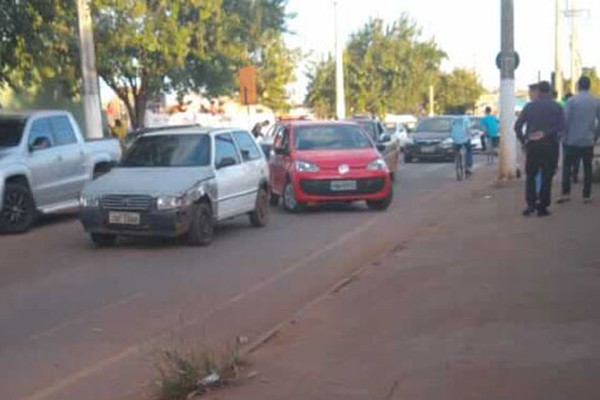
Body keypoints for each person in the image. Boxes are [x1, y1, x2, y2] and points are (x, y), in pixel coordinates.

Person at [515, 81, 565, 217]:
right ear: (549, 91)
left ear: (539, 92)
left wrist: (523, 140)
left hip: (533, 146)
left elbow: (518, 126)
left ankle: (530, 204)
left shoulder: (530, 106)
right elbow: (562, 128)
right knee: (547, 177)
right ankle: (542, 207)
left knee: (531, 176)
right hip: (550, 146)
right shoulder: (557, 107)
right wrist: (549, 133)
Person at [558, 76, 600, 204]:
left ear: (578, 86)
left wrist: (564, 137)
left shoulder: (571, 101)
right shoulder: (596, 101)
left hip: (572, 140)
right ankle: (586, 196)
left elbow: (565, 120)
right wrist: (596, 136)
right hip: (588, 140)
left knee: (567, 167)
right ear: (589, 86)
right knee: (587, 168)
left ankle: (566, 193)